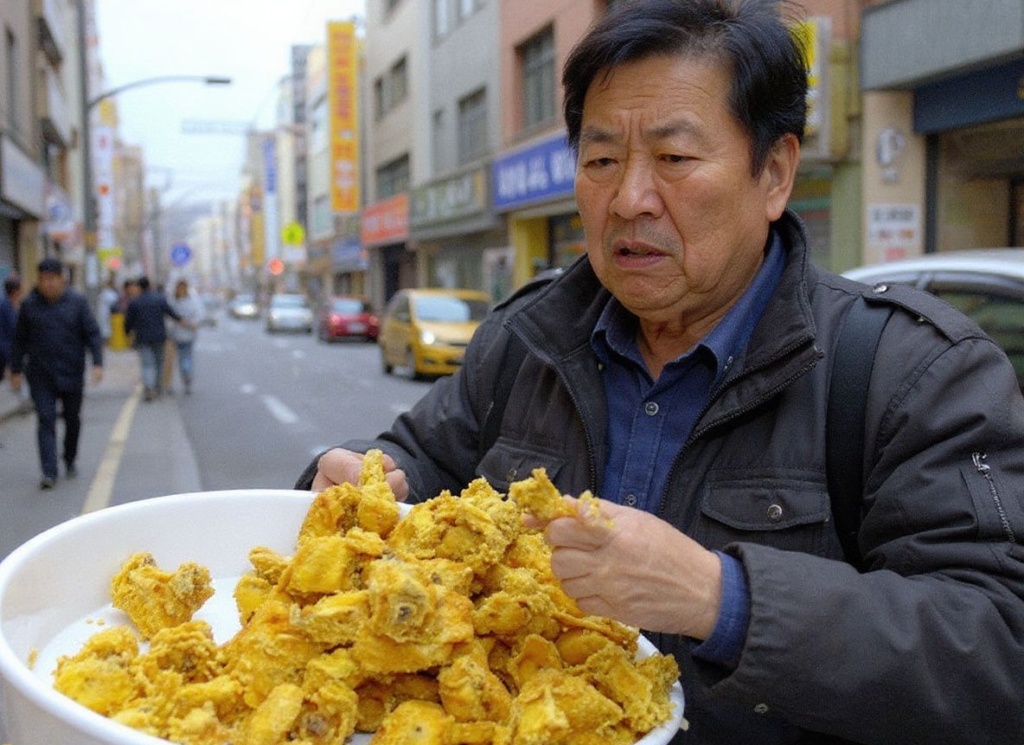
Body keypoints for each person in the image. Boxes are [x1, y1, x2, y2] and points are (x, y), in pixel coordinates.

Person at [295, 1, 1024, 742]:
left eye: (674, 160)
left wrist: (722, 598)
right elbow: (419, 459)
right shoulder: (525, 338)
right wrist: (362, 480)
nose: (630, 198)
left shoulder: (911, 371)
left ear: (773, 173)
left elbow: (998, 650)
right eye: (602, 160)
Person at [9, 258, 103, 488]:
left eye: (52, 279)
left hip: (71, 372)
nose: (48, 284)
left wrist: (97, 363)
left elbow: (92, 333)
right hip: (41, 375)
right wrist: (16, 369)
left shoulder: (77, 303)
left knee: (72, 420)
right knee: (46, 419)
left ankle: (69, 458)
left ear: (62, 279)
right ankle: (48, 472)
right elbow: (19, 340)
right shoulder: (29, 305)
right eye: (43, 280)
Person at [123, 275, 186, 401]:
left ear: (139, 287)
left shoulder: (135, 302)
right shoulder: (159, 299)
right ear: (149, 285)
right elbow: (171, 312)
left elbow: (128, 321)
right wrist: (181, 320)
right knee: (159, 363)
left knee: (147, 364)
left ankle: (149, 388)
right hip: (159, 337)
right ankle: (157, 386)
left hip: (142, 338)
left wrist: (127, 333)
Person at [166, 278, 204, 394]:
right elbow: (169, 318)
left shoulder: (191, 301)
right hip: (176, 335)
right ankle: (177, 379)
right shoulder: (173, 301)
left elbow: (199, 316)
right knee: (180, 359)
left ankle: (185, 376)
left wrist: (189, 323)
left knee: (184, 358)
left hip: (185, 335)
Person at [0, 273, 23, 380]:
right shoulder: (4, 307)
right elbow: (4, 336)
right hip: (5, 357)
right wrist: (9, 361)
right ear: (15, 291)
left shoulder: (16, 305)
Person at [96, 275, 120, 345]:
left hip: (105, 313)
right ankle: (106, 342)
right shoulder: (108, 293)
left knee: (105, 327)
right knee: (106, 328)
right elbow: (114, 301)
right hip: (105, 313)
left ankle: (106, 342)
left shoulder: (105, 292)